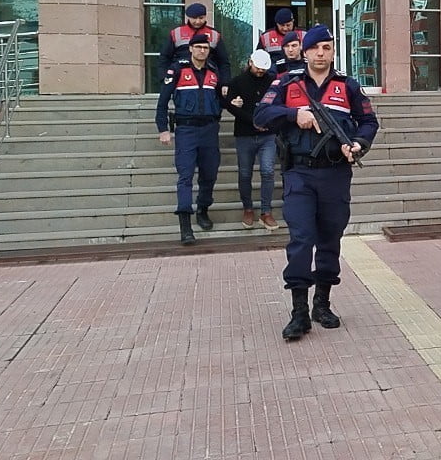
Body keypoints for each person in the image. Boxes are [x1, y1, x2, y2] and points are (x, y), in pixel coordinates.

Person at [254, 24, 378, 341]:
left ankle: (322, 304)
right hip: (299, 173)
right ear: (305, 52)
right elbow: (261, 115)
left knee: (329, 238)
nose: (321, 53)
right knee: (301, 239)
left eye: (327, 47)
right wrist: (294, 115)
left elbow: (368, 122)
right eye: (315, 48)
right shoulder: (287, 83)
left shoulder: (348, 86)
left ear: (333, 51)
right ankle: (299, 313)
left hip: (336, 173)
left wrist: (358, 144)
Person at [156, 33, 224, 245]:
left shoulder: (214, 71)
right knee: (185, 177)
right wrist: (163, 129)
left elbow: (220, 99)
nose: (202, 50)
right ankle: (185, 226)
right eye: (199, 47)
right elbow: (163, 101)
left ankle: (203, 209)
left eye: (205, 47)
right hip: (186, 130)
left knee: (209, 174)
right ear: (191, 49)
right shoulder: (177, 70)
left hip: (210, 131)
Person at [224, 49, 280, 231]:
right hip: (245, 134)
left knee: (267, 171)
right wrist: (252, 120)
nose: (260, 71)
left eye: (263, 69)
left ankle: (266, 211)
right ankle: (248, 207)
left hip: (267, 135)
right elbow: (229, 105)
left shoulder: (272, 82)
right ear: (250, 63)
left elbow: (278, 104)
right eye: (257, 67)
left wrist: (269, 121)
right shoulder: (238, 82)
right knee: (245, 173)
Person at [157, 3, 231, 83]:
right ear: (188, 17)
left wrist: (225, 82)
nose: (198, 21)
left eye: (201, 18)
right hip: (180, 77)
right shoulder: (176, 33)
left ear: (205, 17)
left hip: (208, 78)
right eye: (194, 18)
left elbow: (223, 62)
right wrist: (164, 77)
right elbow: (164, 57)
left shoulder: (214, 34)